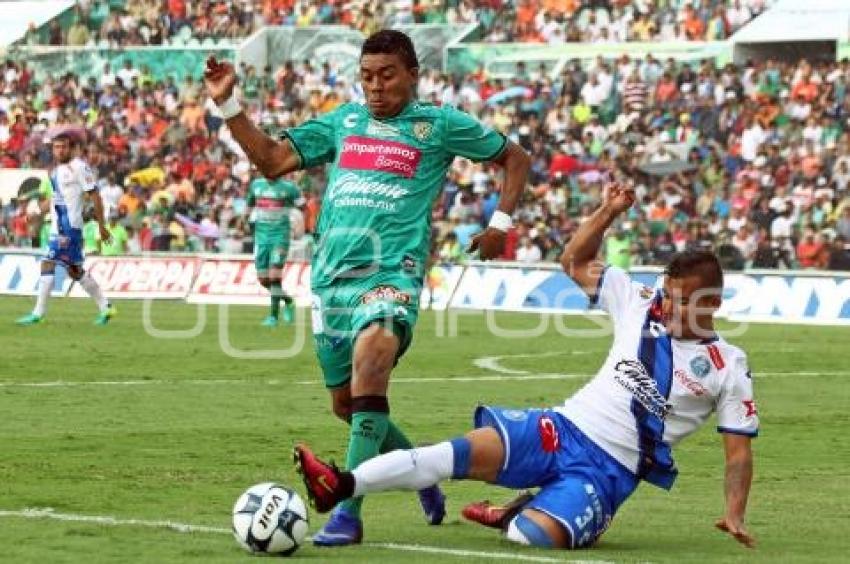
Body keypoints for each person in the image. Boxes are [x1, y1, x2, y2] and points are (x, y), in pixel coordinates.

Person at [294, 183, 759, 551]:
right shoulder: (639, 300)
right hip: (560, 427)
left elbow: (738, 454)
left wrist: (734, 512)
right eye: (667, 295)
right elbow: (573, 260)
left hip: (608, 473)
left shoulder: (728, 366)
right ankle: (341, 484)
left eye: (679, 301)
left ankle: (516, 513)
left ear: (712, 302)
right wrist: (608, 212)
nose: (667, 308)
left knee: (532, 538)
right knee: (446, 456)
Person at [204, 29, 530, 545]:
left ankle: (347, 512)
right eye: (367, 77)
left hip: (391, 276)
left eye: (387, 75)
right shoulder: (344, 121)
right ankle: (419, 471)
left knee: (374, 359)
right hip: (332, 280)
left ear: (413, 75)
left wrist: (502, 224)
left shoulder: (437, 126)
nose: (376, 87)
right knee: (347, 406)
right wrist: (229, 105)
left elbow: (516, 157)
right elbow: (269, 160)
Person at [16, 133, 116, 326]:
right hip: (58, 227)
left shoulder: (79, 167)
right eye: (56, 147)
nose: (60, 150)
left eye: (63, 147)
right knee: (75, 270)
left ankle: (38, 313)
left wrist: (102, 226)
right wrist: (36, 212)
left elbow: (95, 197)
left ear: (71, 149)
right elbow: (55, 199)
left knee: (47, 263)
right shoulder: (56, 171)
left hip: (69, 228)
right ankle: (106, 307)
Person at [245, 173, 303, 326]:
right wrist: (244, 222)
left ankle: (273, 317)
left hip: (280, 237)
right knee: (263, 279)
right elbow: (249, 206)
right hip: (261, 238)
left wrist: (301, 226)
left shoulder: (290, 188)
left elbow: (304, 207)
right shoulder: (256, 185)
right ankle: (288, 300)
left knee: (274, 277)